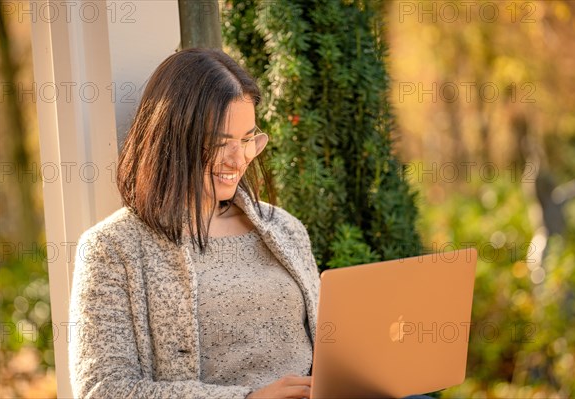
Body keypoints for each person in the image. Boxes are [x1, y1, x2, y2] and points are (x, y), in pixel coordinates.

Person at [68, 47, 435, 399]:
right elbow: (103, 389)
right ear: (172, 138)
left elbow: (326, 347)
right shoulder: (112, 248)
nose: (239, 159)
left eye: (248, 139)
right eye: (220, 142)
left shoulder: (284, 229)